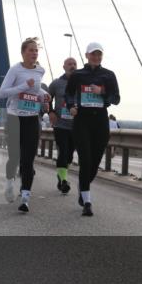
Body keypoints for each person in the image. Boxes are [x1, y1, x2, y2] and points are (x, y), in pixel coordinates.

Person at [66, 42, 120, 217]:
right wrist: (70, 106)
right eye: (93, 54)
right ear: (87, 55)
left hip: (100, 121)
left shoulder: (109, 75)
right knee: (86, 160)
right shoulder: (78, 75)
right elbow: (68, 93)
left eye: (99, 54)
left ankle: (83, 186)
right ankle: (87, 201)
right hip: (82, 120)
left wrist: (102, 91)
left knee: (95, 163)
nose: (96, 57)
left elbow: (116, 98)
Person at [0, 38, 50, 212]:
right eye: (31, 50)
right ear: (23, 52)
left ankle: (25, 197)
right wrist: (22, 86)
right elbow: (2, 93)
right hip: (15, 118)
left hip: (32, 119)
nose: (34, 53)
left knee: (28, 160)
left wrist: (44, 95)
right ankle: (9, 184)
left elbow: (35, 90)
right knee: (14, 157)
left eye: (36, 51)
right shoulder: (15, 70)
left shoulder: (40, 71)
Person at [47, 56, 78, 194]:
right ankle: (64, 181)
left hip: (76, 126)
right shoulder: (56, 83)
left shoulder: (81, 83)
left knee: (70, 155)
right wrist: (51, 112)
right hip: (60, 125)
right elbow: (46, 99)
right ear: (64, 67)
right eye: (69, 64)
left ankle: (61, 175)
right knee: (63, 151)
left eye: (74, 64)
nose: (72, 66)